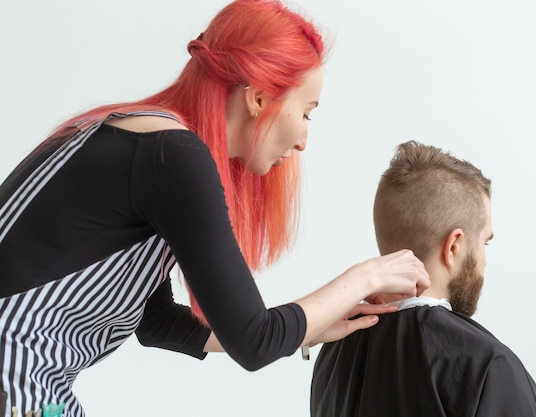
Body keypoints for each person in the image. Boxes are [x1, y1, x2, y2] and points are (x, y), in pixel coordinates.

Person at [0, 1, 430, 415]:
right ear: (259, 98)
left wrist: (310, 328)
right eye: (307, 113)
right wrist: (366, 276)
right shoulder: (174, 155)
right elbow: (254, 341)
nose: (303, 141)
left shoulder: (135, 135)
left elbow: (155, 321)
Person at [310, 141, 536, 417]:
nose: (484, 260)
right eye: (484, 243)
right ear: (454, 246)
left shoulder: (334, 354)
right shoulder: (489, 366)